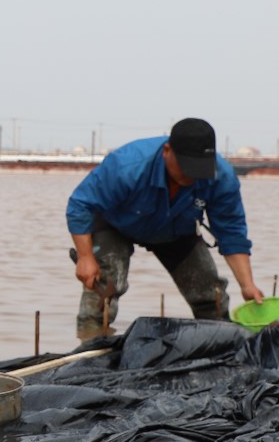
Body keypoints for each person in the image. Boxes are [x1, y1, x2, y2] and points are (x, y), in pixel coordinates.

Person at [66, 117, 265, 337]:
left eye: (198, 170)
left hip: (177, 228)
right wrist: (85, 257)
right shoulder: (127, 166)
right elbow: (80, 205)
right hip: (115, 224)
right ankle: (90, 341)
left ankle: (218, 341)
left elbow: (232, 232)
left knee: (209, 293)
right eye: (185, 168)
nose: (190, 176)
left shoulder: (221, 176)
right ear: (167, 151)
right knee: (104, 288)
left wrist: (247, 284)